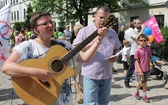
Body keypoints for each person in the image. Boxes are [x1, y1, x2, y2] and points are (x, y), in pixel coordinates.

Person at [1, 11, 107, 105]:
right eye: (45, 24)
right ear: (35, 30)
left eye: (51, 22)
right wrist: (34, 71)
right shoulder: (28, 47)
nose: (50, 25)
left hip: (64, 100)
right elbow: (6, 67)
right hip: (39, 97)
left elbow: (84, 57)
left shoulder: (63, 45)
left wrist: (98, 41)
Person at [73, 6, 121, 105]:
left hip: (107, 74)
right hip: (91, 74)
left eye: (106, 18)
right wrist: (96, 40)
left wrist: (116, 56)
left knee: (104, 102)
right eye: (101, 17)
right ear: (94, 16)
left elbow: (117, 47)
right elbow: (76, 49)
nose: (103, 21)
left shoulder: (112, 32)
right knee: (91, 103)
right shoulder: (85, 31)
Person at [124, 19, 146, 88]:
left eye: (140, 23)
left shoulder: (142, 32)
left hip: (142, 52)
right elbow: (137, 37)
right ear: (134, 24)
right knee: (132, 68)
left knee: (141, 69)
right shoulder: (133, 31)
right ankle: (126, 81)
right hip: (134, 53)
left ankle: (141, 84)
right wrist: (142, 29)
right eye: (138, 23)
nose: (140, 24)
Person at [134, 34, 151, 103]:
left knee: (145, 83)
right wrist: (140, 70)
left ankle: (144, 95)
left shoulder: (148, 49)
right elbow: (136, 61)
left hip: (146, 69)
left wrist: (149, 67)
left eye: (144, 40)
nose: (143, 42)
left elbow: (148, 58)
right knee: (140, 82)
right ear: (138, 41)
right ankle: (136, 92)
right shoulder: (137, 50)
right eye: (141, 40)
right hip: (139, 70)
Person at [71, 24, 84, 104]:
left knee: (72, 79)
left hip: (75, 61)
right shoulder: (85, 40)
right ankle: (81, 96)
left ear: (75, 33)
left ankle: (80, 94)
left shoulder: (75, 41)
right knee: (81, 80)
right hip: (83, 61)